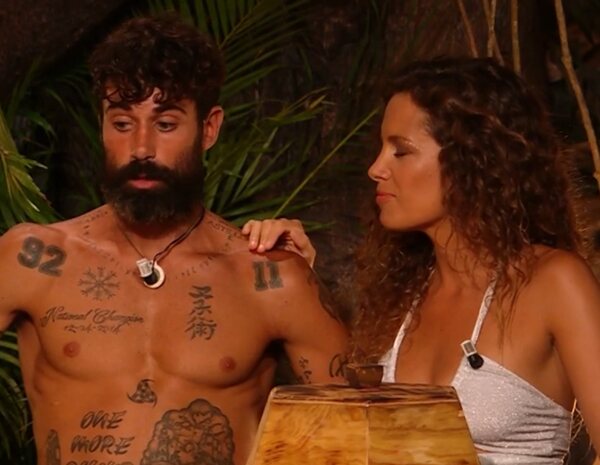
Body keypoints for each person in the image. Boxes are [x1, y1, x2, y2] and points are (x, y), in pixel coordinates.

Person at [0, 15, 348, 465]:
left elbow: (357, 433)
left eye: (165, 124)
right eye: (122, 124)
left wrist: (309, 279)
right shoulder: (33, 259)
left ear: (209, 129)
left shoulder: (270, 277)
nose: (141, 148)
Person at [242, 57, 600, 465]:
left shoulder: (553, 281)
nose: (376, 168)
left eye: (401, 151)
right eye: (381, 149)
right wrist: (303, 283)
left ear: (472, 159)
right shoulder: (402, 294)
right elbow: (348, 426)